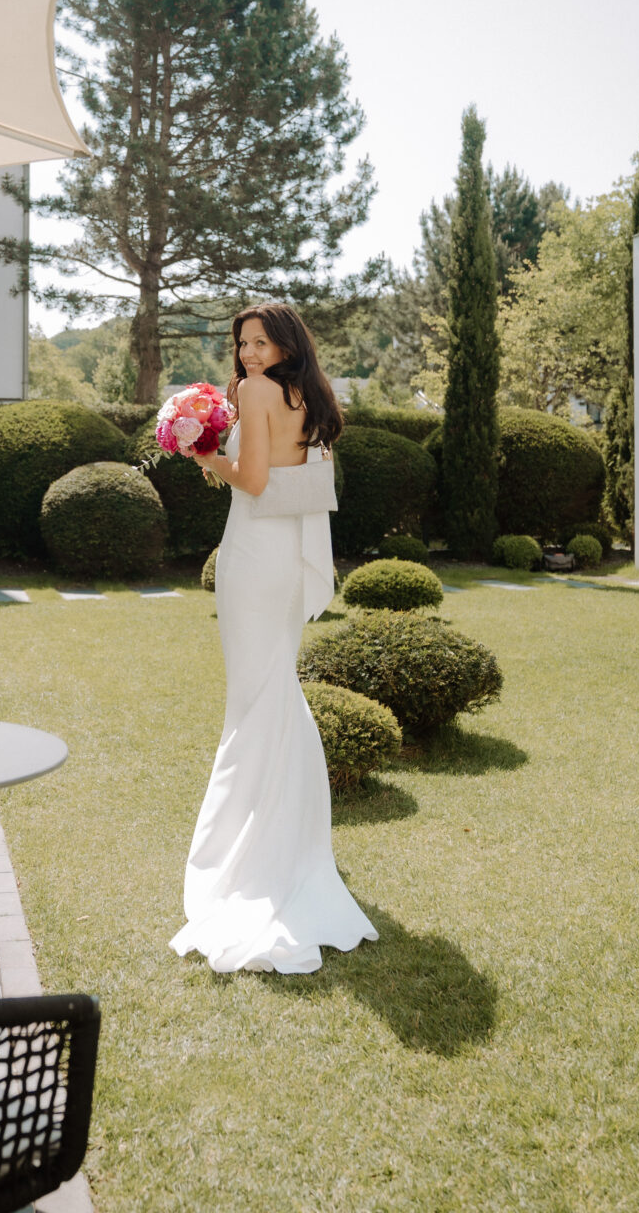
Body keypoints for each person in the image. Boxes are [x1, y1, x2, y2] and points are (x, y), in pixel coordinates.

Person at [168, 302, 378, 973]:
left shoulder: (257, 391)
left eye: (260, 341)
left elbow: (253, 481)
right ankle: (292, 849)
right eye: (242, 342)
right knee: (274, 692)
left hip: (255, 552)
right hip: (289, 555)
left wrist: (205, 454)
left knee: (255, 699)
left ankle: (256, 860)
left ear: (285, 342)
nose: (249, 352)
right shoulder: (304, 395)